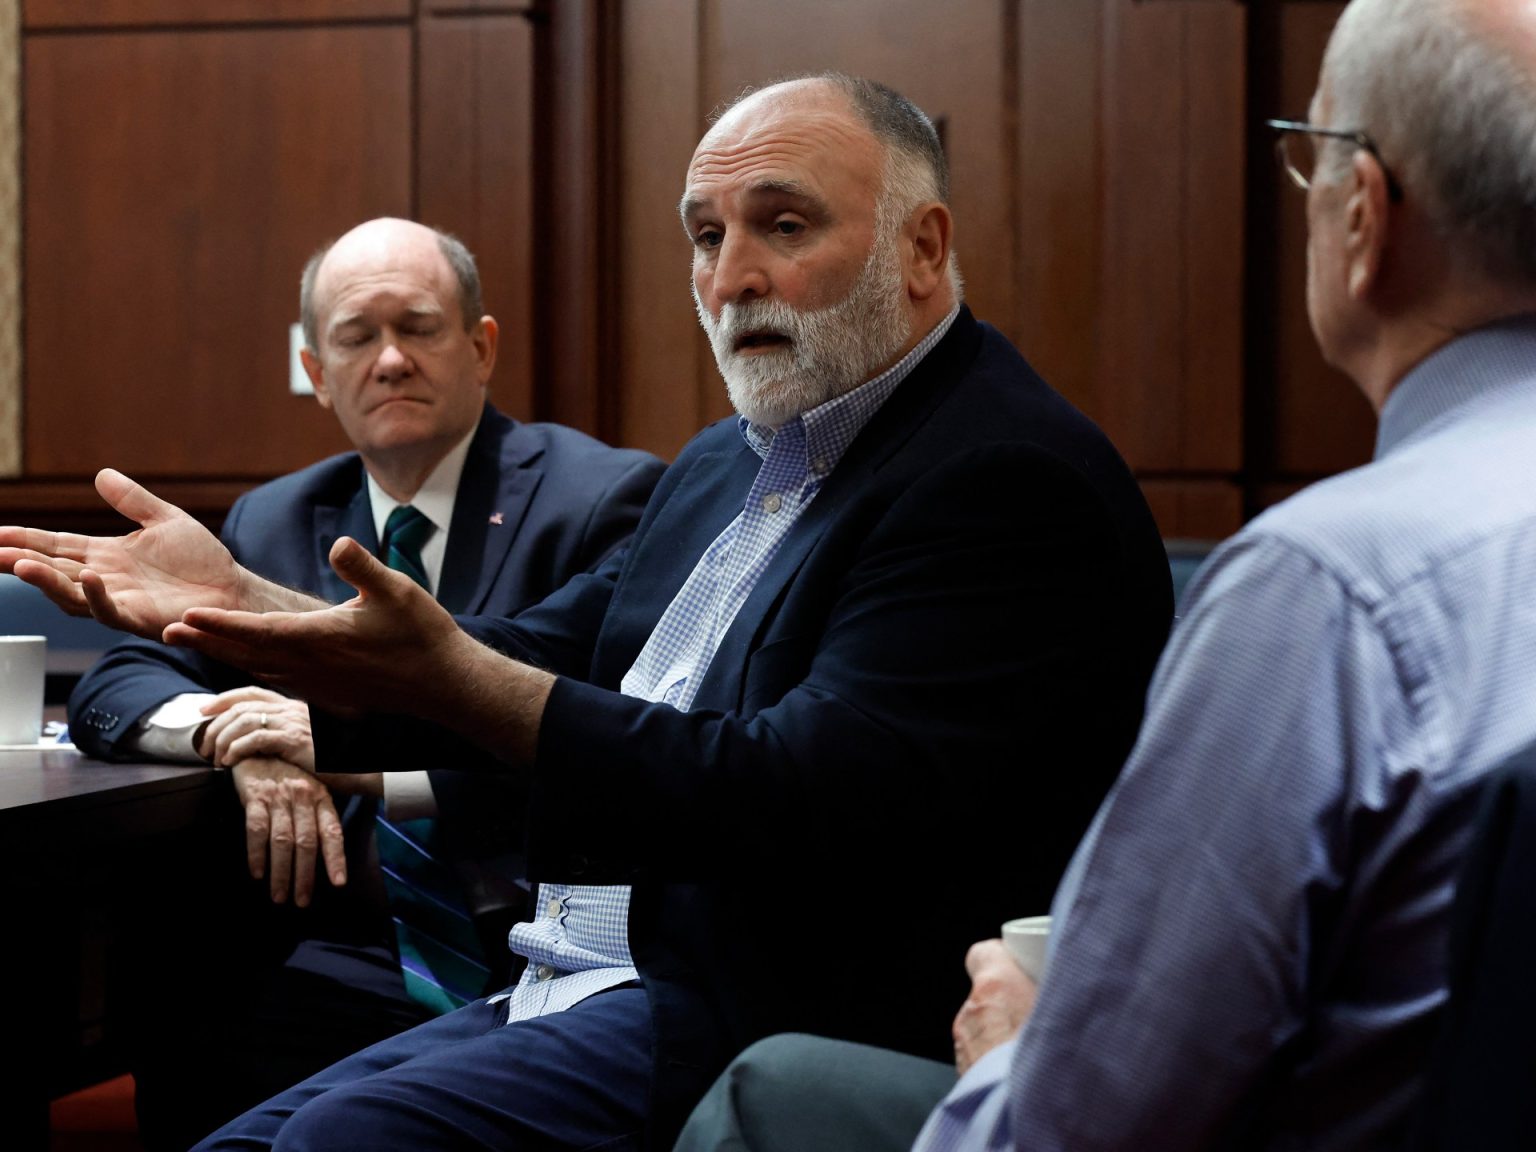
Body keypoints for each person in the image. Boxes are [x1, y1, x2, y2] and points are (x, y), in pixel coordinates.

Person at [1, 75, 1172, 1151]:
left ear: (923, 247)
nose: (733, 278)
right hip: (572, 974)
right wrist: (247, 605)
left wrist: (441, 675)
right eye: (705, 237)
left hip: (764, 1011)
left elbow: (791, 791)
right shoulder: (725, 462)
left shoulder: (1004, 476)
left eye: (783, 225)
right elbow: (538, 648)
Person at [669, 1, 1536, 1149]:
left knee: (769, 1097)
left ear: (1362, 214)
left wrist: (1011, 1051)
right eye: (706, 236)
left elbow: (1088, 1115)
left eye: (1308, 154)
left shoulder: (1326, 591)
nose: (734, 275)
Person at [67, 216, 664, 1150]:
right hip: (324, 949)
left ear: (481, 346)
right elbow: (122, 679)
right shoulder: (275, 517)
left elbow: (619, 729)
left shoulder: (603, 499)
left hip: (528, 945)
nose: (389, 360)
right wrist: (237, 737)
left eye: (418, 328)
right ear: (317, 368)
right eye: (356, 337)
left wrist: (351, 757)